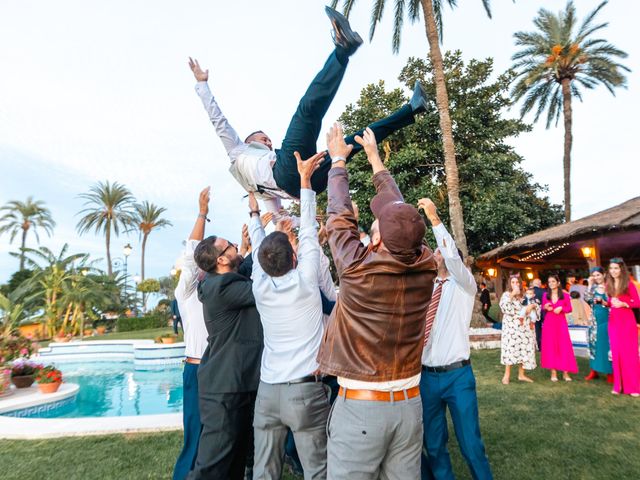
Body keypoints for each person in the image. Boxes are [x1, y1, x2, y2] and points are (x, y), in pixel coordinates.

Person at [188, 7, 428, 218]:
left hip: (307, 181)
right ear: (249, 142)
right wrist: (202, 84)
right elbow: (217, 120)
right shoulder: (237, 151)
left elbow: (278, 214)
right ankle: (343, 49)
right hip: (291, 174)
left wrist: (304, 222)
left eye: (267, 138)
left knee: (356, 140)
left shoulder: (260, 183)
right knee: (306, 112)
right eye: (262, 138)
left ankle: (412, 109)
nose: (268, 140)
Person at [317, 124, 436, 479]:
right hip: (410, 407)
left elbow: (339, 215)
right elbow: (400, 214)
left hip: (363, 411)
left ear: (380, 241)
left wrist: (339, 160)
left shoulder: (357, 268)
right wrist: (374, 158)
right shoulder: (426, 264)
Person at [247, 151, 332, 479]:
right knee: (317, 471)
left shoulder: (260, 287)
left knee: (263, 472)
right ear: (294, 258)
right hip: (304, 392)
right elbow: (309, 229)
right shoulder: (306, 282)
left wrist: (255, 211)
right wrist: (306, 179)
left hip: (267, 392)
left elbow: (258, 247)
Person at [419, 199, 493, 480]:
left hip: (457, 376)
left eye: (439, 250)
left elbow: (451, 255)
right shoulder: (426, 289)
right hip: (426, 377)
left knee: (471, 445)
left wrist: (434, 219)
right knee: (434, 445)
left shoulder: (465, 285)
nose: (435, 253)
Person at [188, 223, 264, 479]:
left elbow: (243, 267)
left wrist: (257, 223)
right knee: (212, 465)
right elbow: (263, 288)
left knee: (234, 460)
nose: (234, 246)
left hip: (235, 383)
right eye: (230, 245)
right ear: (221, 259)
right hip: (224, 387)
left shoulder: (221, 280)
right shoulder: (222, 288)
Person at [173, 187, 211, 480]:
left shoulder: (218, 290)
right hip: (197, 369)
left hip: (219, 369)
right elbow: (190, 257)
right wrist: (202, 214)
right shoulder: (186, 292)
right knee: (195, 430)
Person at [605, 258, 640, 397]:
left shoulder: (629, 284)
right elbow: (610, 301)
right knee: (616, 352)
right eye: (611, 268)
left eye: (616, 268)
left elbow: (637, 302)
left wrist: (623, 303)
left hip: (627, 321)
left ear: (621, 269)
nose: (613, 271)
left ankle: (634, 387)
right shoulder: (609, 284)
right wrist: (608, 302)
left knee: (629, 353)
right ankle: (618, 386)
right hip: (614, 321)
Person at [499, 276, 536, 385]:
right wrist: (512, 295)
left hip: (524, 327)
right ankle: (506, 375)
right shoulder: (506, 295)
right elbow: (504, 308)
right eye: (512, 282)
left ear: (520, 283)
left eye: (517, 282)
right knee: (510, 350)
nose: (515, 284)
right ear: (510, 284)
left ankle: (521, 374)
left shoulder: (525, 295)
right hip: (511, 328)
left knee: (523, 349)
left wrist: (532, 306)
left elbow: (535, 304)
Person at [541, 274, 577, 382]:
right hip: (549, 323)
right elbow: (543, 308)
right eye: (549, 282)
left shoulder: (565, 295)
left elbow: (569, 308)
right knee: (551, 346)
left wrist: (561, 308)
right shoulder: (545, 295)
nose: (551, 284)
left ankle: (565, 373)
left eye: (553, 281)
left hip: (561, 323)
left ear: (558, 283)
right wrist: (545, 307)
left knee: (564, 346)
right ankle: (553, 372)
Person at [583, 266, 613, 382]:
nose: (596, 277)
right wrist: (590, 285)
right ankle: (593, 371)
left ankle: (610, 373)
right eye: (594, 276)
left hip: (608, 319)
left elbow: (613, 303)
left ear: (604, 274)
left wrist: (605, 303)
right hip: (594, 320)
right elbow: (586, 298)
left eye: (598, 275)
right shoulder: (593, 288)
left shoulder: (609, 287)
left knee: (607, 346)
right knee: (593, 344)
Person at [532, 278, 545, 350]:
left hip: (532, 312)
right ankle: (542, 344)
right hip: (543, 312)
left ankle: (537, 344)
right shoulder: (543, 291)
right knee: (542, 328)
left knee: (536, 329)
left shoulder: (529, 291)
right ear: (539, 284)